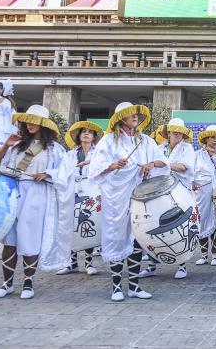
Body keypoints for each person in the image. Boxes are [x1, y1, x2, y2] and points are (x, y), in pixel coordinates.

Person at [0, 104, 73, 299]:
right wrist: (6, 144)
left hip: (37, 194)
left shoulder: (54, 149)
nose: (29, 124)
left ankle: (28, 283)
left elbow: (65, 173)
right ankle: (7, 284)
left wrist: (47, 174)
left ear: (43, 124)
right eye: (27, 121)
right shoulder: (17, 144)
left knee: (30, 239)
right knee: (9, 240)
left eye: (34, 121)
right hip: (14, 191)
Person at [89, 102, 157, 301]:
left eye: (136, 114)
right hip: (116, 196)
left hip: (139, 194)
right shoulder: (109, 140)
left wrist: (150, 164)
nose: (134, 116)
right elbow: (95, 168)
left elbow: (162, 161)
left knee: (137, 237)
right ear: (120, 119)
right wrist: (113, 165)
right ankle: (117, 287)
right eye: (130, 114)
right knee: (117, 236)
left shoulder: (144, 140)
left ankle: (134, 286)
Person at [139, 118, 196, 280]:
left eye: (179, 131)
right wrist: (153, 165)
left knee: (180, 228)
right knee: (153, 227)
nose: (176, 133)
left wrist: (162, 164)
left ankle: (182, 265)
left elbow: (185, 167)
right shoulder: (159, 148)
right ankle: (151, 266)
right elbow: (150, 165)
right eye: (173, 130)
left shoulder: (187, 148)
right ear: (168, 132)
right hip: (159, 191)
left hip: (179, 192)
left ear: (183, 133)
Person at [56, 121, 104, 276]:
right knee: (71, 225)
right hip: (72, 191)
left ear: (94, 137)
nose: (86, 134)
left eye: (90, 132)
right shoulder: (70, 154)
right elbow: (63, 172)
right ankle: (71, 262)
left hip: (92, 191)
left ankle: (89, 262)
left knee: (89, 224)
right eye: (83, 131)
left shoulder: (99, 154)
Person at [192, 124, 216, 267]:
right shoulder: (196, 155)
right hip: (201, 192)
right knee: (202, 221)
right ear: (206, 139)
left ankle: (215, 255)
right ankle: (203, 255)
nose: (214, 140)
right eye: (212, 137)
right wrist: (192, 182)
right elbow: (190, 173)